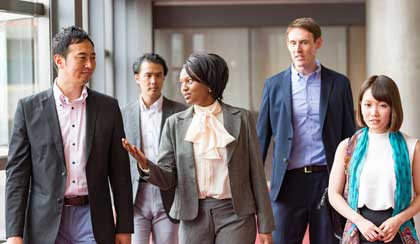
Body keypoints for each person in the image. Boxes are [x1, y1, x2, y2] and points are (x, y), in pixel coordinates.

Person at [122, 53, 275, 244]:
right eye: (181, 82)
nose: (183, 87)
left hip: (236, 215)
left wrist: (266, 227)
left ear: (208, 82)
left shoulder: (241, 118)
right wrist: (146, 165)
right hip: (192, 215)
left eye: (189, 81)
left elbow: (257, 175)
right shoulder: (174, 124)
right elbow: (168, 178)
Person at [5, 26, 133, 244]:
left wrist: (124, 227)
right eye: (82, 58)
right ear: (59, 60)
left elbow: (120, 173)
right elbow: (17, 176)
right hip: (45, 221)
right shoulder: (29, 109)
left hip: (93, 218)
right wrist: (13, 233)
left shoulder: (108, 108)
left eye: (93, 57)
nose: (90, 65)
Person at [256, 17, 355, 244]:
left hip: (327, 181)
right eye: (292, 43)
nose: (297, 49)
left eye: (304, 42)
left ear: (318, 43)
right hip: (287, 184)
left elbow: (350, 138)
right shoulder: (274, 85)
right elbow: (260, 139)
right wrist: (255, 189)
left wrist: (351, 184)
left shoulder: (339, 84)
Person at [328, 75, 420, 244]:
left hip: (397, 233)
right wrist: (360, 222)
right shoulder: (347, 147)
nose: (374, 113)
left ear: (393, 108)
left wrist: (398, 220)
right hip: (359, 232)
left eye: (382, 105)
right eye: (368, 105)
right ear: (360, 106)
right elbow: (334, 194)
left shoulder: (412, 146)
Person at [122, 53, 186, 244]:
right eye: (148, 75)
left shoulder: (181, 112)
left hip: (168, 194)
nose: (153, 81)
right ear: (137, 78)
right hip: (136, 197)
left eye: (158, 75)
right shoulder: (123, 114)